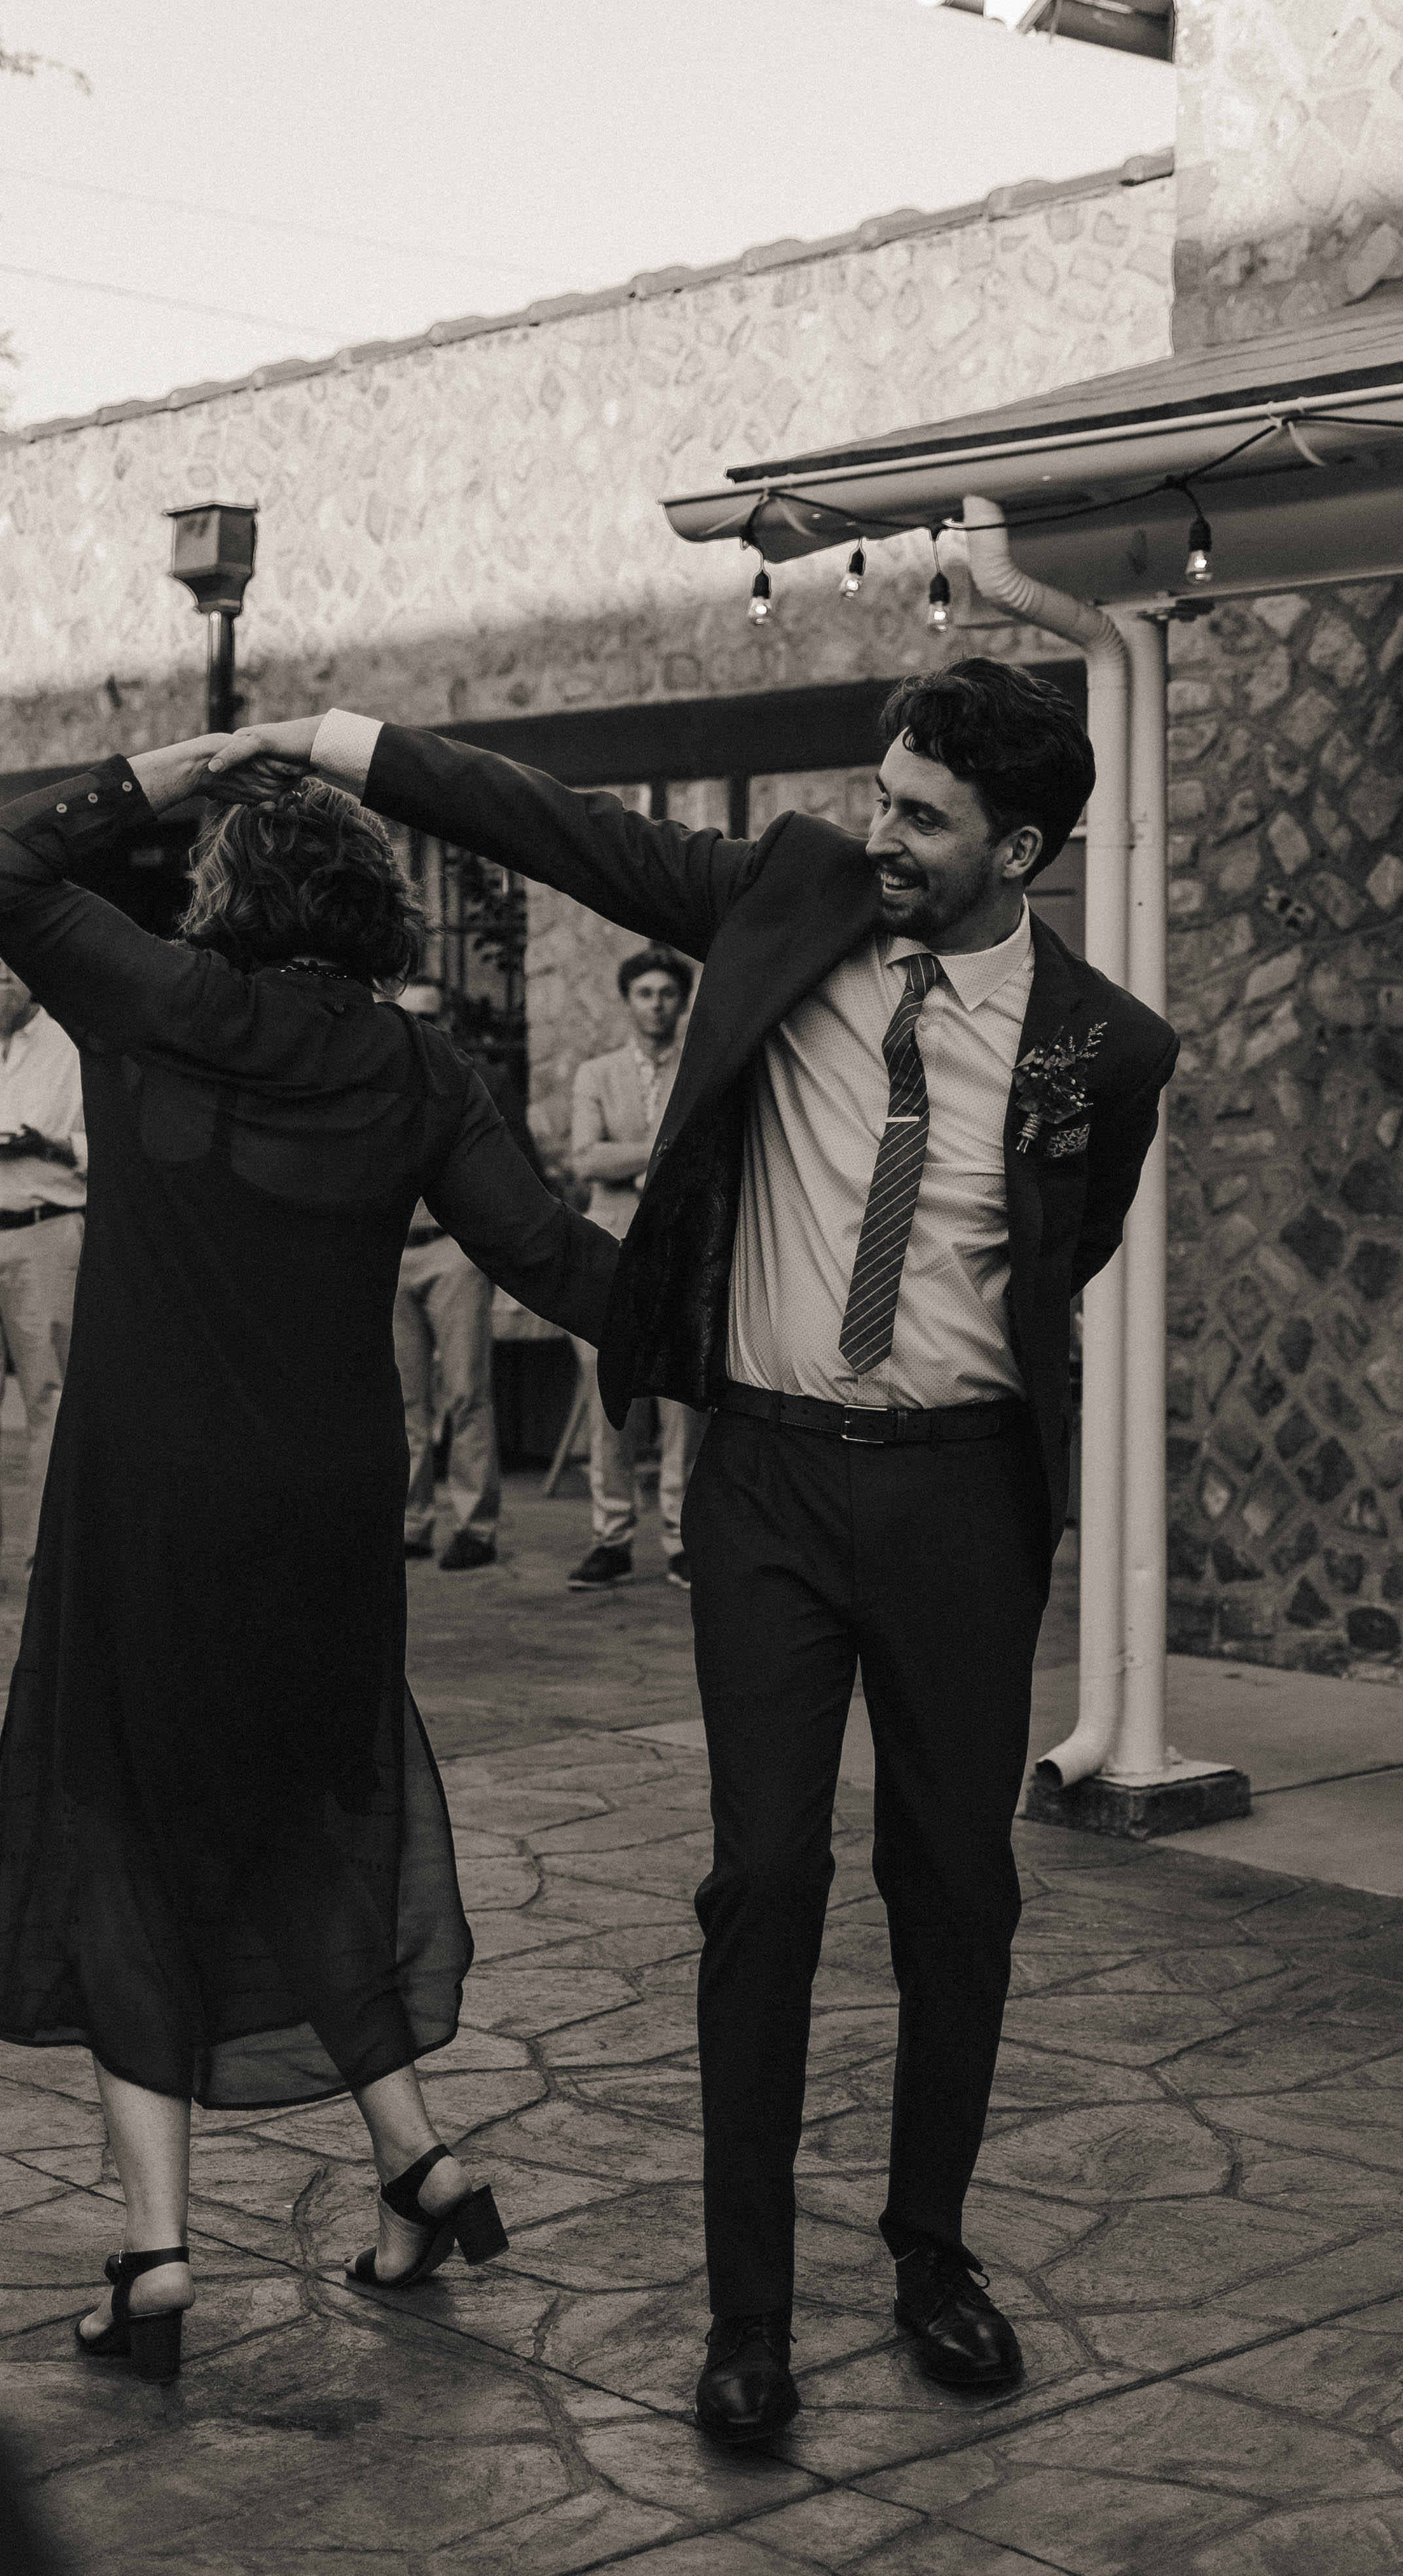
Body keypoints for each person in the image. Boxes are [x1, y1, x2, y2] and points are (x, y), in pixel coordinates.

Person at [209, 656, 1177, 2444]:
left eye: (922, 818)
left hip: (963, 1498)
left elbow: (1070, 1244)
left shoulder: (1107, 1047)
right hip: (768, 1485)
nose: (881, 833)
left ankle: (931, 2255)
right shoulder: (788, 894)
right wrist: (324, 742)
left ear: (1018, 850)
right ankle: (749, 2321)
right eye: (881, 795)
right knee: (764, 1881)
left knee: (956, 1887)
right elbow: (553, 829)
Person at [0, 747, 617, 2384]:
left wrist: (178, 764)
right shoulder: (417, 1067)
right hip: (329, 1518)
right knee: (288, 1814)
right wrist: (733, 1331)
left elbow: (3, 860)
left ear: (226, 894)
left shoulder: (154, 1002)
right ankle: (416, 2165)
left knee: (122, 1824)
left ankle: (156, 2255)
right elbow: (546, 1255)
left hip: (151, 1505)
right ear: (368, 910)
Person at [567, 942, 705, 1592]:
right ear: (627, 1001)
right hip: (610, 1247)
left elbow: (710, 1152)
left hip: (683, 1246)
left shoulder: (699, 1070)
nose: (656, 1005)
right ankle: (612, 1536)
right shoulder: (597, 1074)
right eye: (645, 994)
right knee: (608, 1395)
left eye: (667, 993)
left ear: (681, 1002)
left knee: (683, 1403)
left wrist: (636, 1159)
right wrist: (661, 1152)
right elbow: (585, 1159)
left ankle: (682, 1537)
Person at [391, 976, 535, 1573]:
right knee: (403, 1397)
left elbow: (519, 1165)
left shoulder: (481, 1079)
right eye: (406, 1015)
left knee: (468, 1391)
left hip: (454, 1249)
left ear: (449, 1021)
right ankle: (411, 1522)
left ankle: (476, 1524)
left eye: (429, 1015)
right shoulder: (376, 1079)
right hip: (393, 1250)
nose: (418, 1027)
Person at [0, 958, 86, 1571]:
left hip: (45, 1229)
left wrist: (50, 1145)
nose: (1, 983)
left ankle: (45, 1559)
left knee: (50, 1396)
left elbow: (113, 1141)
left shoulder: (71, 1043)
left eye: (8, 972)